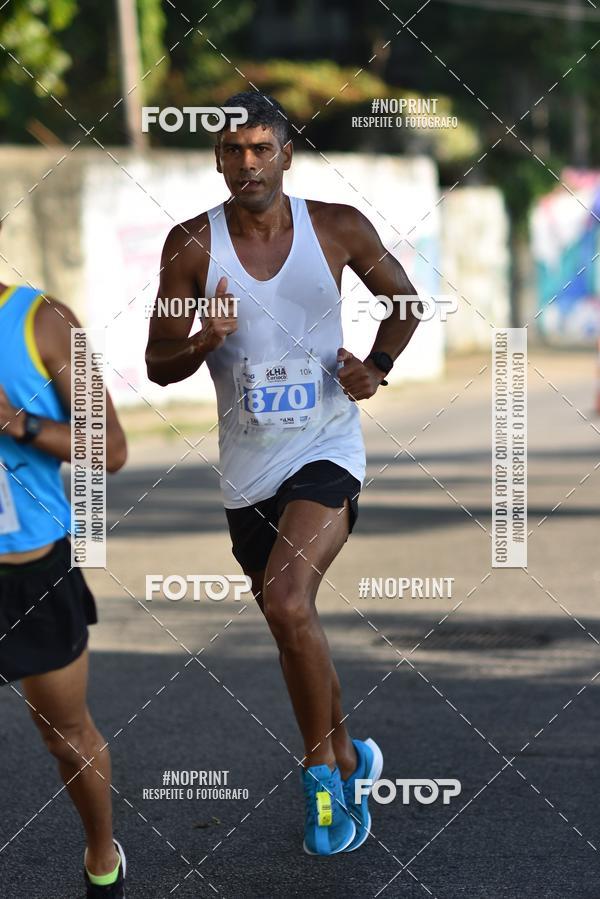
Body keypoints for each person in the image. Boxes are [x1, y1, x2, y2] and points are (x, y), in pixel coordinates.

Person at [145, 91, 421, 856]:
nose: (248, 164)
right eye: (233, 151)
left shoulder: (337, 226)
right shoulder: (190, 245)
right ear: (217, 160)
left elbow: (404, 301)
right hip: (247, 468)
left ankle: (321, 777)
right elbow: (157, 362)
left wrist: (377, 366)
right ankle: (351, 753)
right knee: (291, 619)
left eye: (261, 148)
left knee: (288, 598)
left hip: (326, 448)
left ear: (287, 154)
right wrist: (204, 339)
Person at [0, 279, 128, 896]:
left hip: (28, 574)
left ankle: (102, 859)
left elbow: (112, 448)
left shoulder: (43, 320)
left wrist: (15, 422)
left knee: (64, 735)